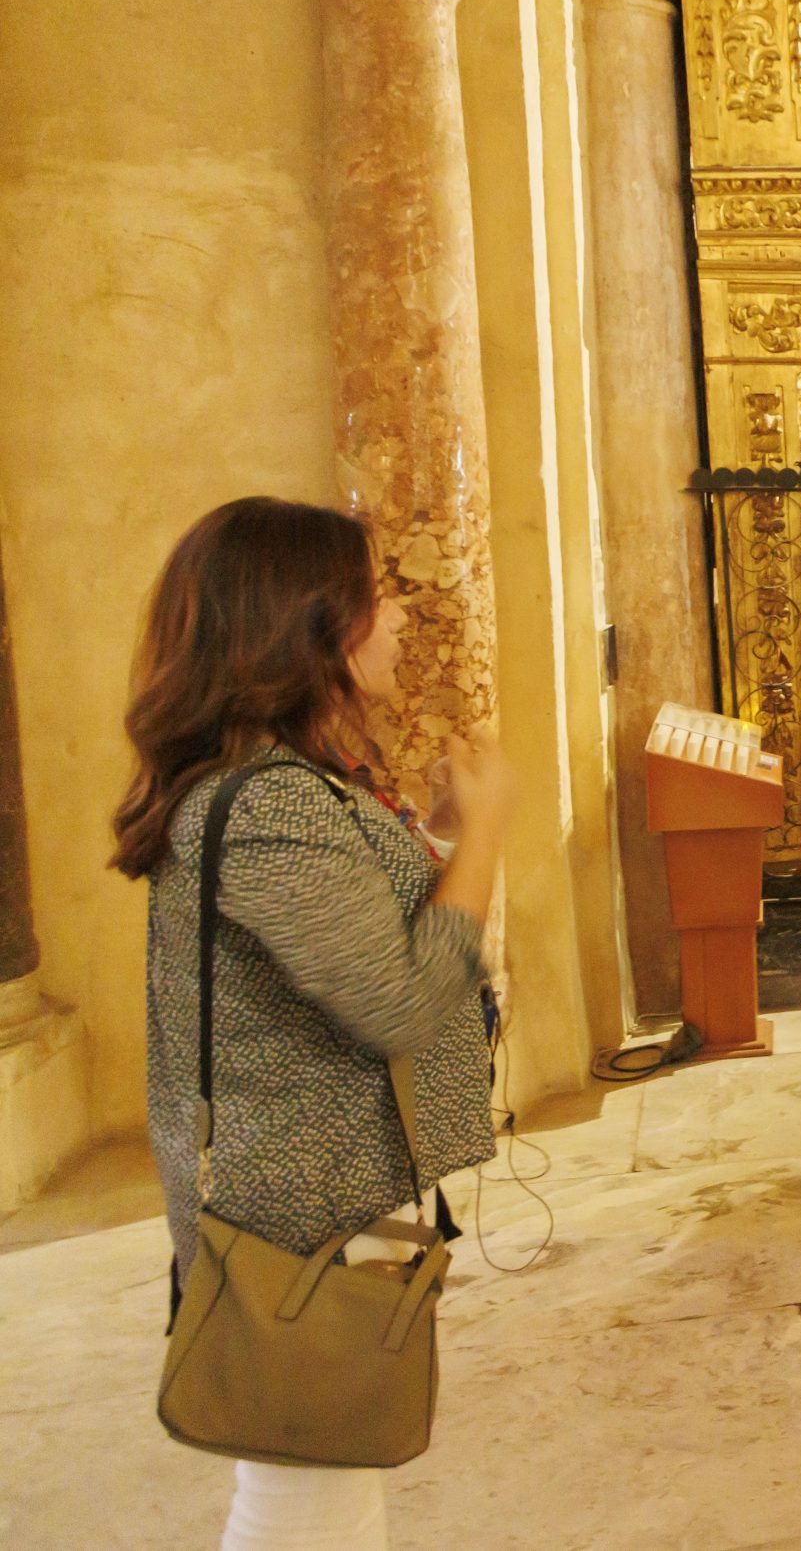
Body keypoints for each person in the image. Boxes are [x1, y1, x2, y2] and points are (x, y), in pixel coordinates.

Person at [112, 497, 511, 1550]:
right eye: (374, 596)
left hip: (307, 1193)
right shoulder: (268, 802)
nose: (400, 617)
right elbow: (399, 1002)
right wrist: (487, 837)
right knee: (307, 1495)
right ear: (305, 623)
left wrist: (440, 834)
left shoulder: (283, 784)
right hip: (294, 1209)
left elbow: (356, 932)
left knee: (330, 1476)